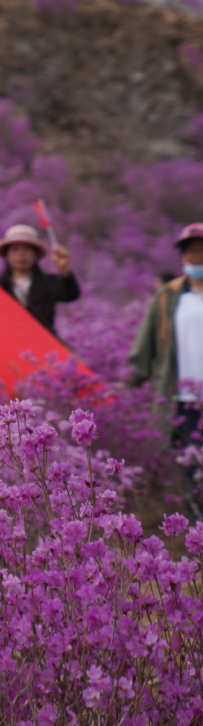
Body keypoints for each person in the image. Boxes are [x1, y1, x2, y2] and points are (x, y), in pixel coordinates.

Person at [128, 222, 203, 518]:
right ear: (182, 255)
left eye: (201, 248)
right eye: (190, 249)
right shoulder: (167, 296)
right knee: (189, 464)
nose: (196, 254)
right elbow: (144, 346)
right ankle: (198, 522)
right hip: (181, 397)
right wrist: (129, 383)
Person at [0, 224, 78, 335]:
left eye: (26, 249)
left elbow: (71, 294)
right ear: (6, 255)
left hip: (44, 342)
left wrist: (64, 269)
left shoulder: (49, 283)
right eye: (15, 250)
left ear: (35, 254)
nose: (21, 254)